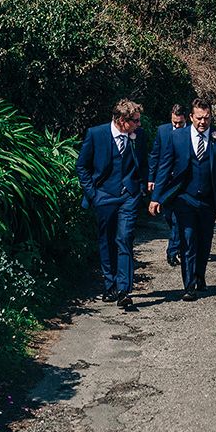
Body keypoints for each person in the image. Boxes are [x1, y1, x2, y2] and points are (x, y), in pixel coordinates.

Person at [148, 99, 216, 301]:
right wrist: (157, 197)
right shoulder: (177, 136)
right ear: (191, 117)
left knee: (204, 241)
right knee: (188, 239)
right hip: (184, 198)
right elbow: (164, 167)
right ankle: (189, 286)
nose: (202, 122)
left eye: (206, 118)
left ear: (210, 117)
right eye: (199, 118)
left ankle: (200, 275)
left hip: (208, 199)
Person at [76, 99, 148, 308]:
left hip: (129, 195)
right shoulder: (96, 134)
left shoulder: (138, 136)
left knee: (124, 238)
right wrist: (93, 195)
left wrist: (142, 188)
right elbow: (82, 166)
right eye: (135, 121)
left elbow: (143, 164)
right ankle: (110, 285)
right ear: (122, 120)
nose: (138, 125)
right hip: (104, 195)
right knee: (106, 240)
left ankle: (124, 289)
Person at [148, 104, 188, 267]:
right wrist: (151, 178)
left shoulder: (191, 132)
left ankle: (172, 251)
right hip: (165, 181)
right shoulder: (163, 131)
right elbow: (155, 155)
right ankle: (179, 241)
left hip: (183, 182)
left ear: (186, 118)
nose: (177, 126)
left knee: (177, 218)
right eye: (174, 122)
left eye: (180, 123)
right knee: (168, 216)